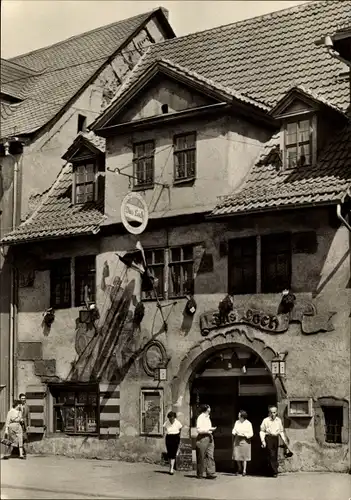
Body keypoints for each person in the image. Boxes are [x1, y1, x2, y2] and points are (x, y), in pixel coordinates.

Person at [259, 405, 292, 477]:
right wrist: (263, 441)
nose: (273, 414)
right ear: (269, 413)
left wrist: (284, 441)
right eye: (271, 412)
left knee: (275, 454)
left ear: (276, 412)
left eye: (274, 412)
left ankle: (272, 470)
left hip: (275, 438)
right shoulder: (265, 420)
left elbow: (281, 431)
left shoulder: (278, 420)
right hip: (269, 437)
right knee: (271, 454)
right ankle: (274, 471)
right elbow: (262, 431)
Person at [195, 404, 217, 480]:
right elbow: (198, 429)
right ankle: (200, 473)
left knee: (210, 455)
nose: (210, 408)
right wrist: (208, 430)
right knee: (201, 455)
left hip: (210, 437)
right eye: (209, 407)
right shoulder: (200, 417)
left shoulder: (208, 418)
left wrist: (210, 430)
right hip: (203, 437)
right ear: (206, 409)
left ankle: (210, 473)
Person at [232, 410, 253, 476]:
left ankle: (244, 470)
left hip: (245, 440)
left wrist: (245, 435)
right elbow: (234, 429)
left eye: (239, 415)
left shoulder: (248, 423)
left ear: (242, 416)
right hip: (237, 439)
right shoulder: (237, 422)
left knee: (244, 456)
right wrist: (234, 432)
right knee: (237, 455)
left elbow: (251, 433)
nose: (238, 416)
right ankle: (239, 468)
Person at [19, 393, 30, 458]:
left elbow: (29, 416)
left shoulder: (27, 407)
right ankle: (21, 452)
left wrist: (28, 425)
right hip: (18, 424)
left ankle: (23, 451)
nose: (23, 399)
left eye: (24, 398)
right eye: (22, 398)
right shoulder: (18, 406)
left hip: (24, 425)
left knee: (24, 438)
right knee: (19, 437)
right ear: (20, 399)